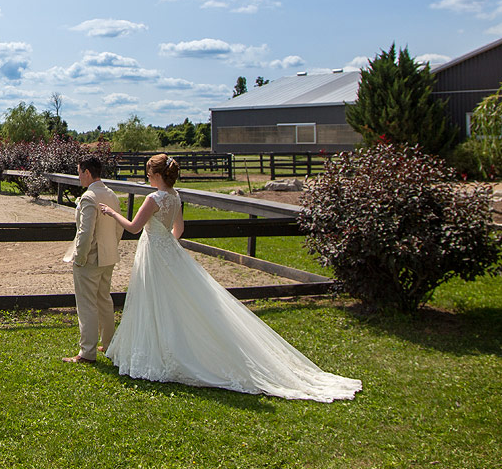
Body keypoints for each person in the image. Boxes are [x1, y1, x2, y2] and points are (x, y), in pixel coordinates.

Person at [98, 154, 361, 402]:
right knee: (176, 301)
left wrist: (112, 213)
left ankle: (159, 353)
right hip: (167, 250)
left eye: (149, 173)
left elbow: (133, 227)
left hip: (154, 252)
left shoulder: (154, 198)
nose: (148, 177)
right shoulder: (176, 196)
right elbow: (179, 229)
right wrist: (166, 244)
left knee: (155, 299)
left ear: (156, 175)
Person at [62, 155, 123, 364]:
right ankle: (108, 343)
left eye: (79, 172)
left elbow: (85, 232)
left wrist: (80, 257)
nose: (78, 176)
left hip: (91, 258)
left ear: (87, 172)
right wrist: (112, 246)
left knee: (87, 304)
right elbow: (118, 226)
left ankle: (87, 352)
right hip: (108, 255)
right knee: (104, 300)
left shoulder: (89, 197)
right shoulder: (112, 195)